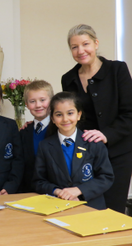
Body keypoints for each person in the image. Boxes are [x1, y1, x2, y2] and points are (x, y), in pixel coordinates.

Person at [61, 24, 132, 213]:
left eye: (85, 44)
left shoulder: (117, 70)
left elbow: (129, 113)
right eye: (74, 47)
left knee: (113, 210)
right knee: (86, 210)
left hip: (118, 154)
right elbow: (69, 116)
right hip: (85, 155)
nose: (80, 50)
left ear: (96, 43)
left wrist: (106, 134)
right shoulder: (68, 78)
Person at [33, 92, 114, 210]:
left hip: (91, 207)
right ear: (53, 119)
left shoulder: (94, 143)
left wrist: (79, 191)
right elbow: (38, 182)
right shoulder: (45, 146)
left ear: (79, 115)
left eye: (70, 113)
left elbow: (106, 177)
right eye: (59, 114)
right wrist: (58, 192)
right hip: (58, 206)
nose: (65, 119)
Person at [18, 80, 53, 193]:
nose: (38, 105)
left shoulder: (60, 129)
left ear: (52, 101)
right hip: (29, 190)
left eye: (43, 100)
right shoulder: (24, 132)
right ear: (26, 105)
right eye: (32, 101)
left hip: (55, 190)